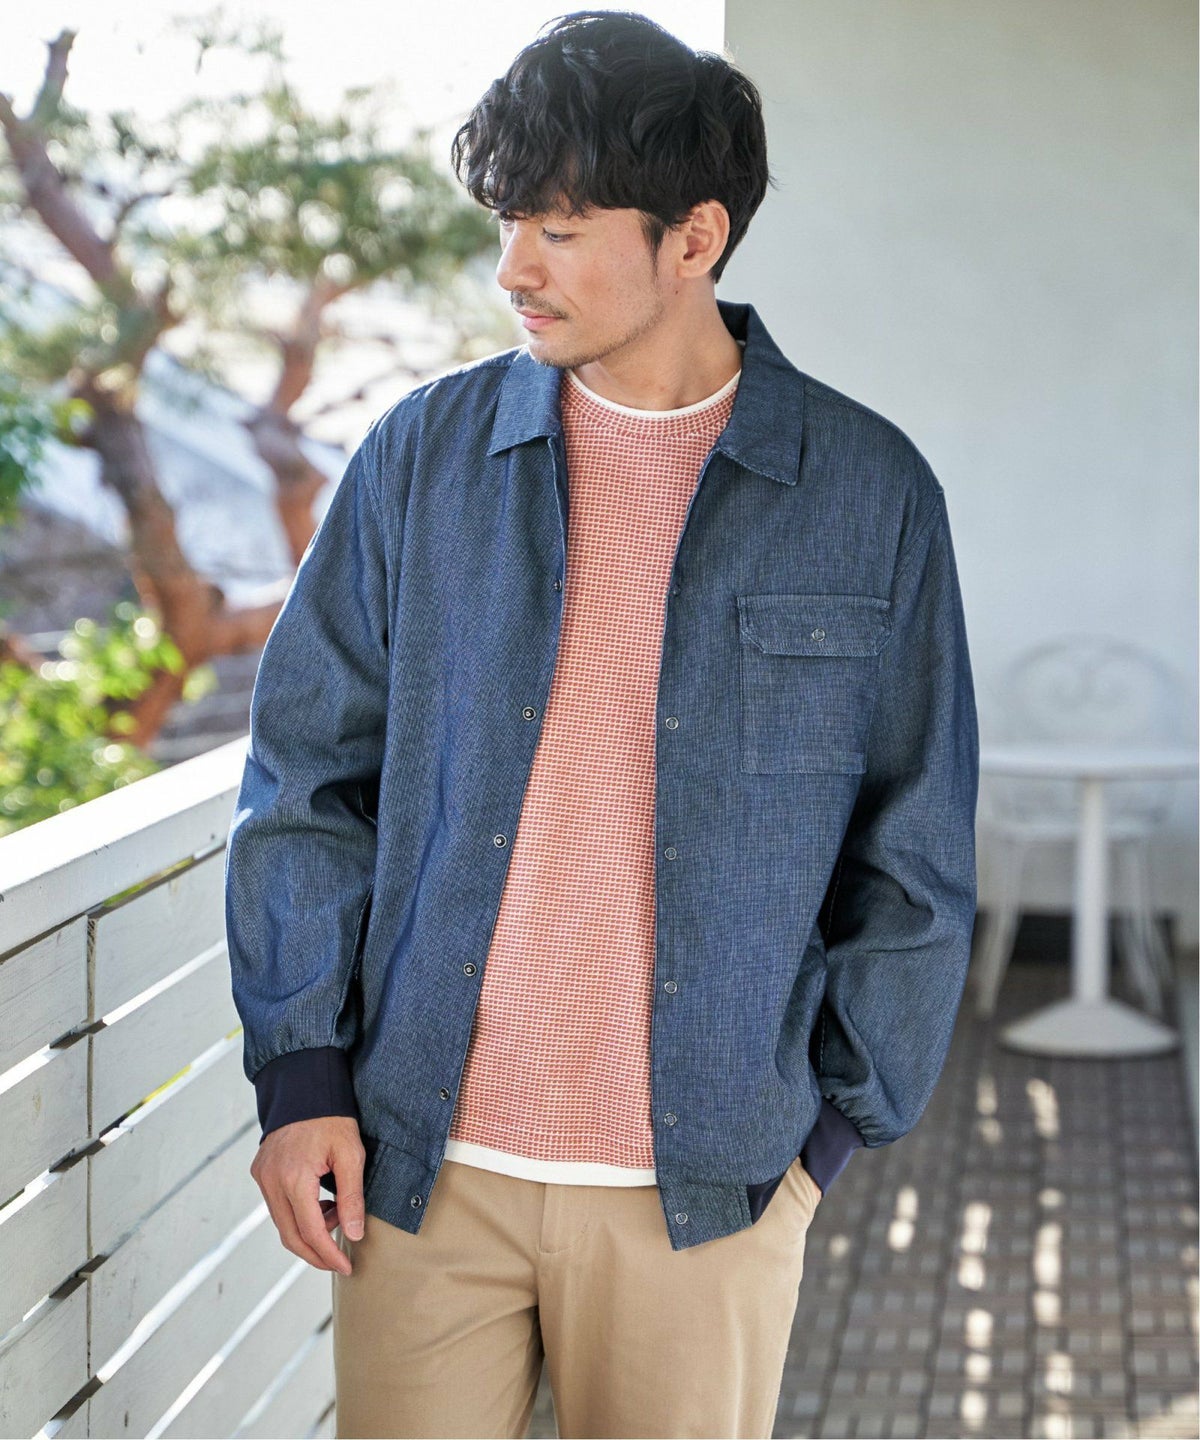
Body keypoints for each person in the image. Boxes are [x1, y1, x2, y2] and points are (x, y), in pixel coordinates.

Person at [224, 10, 980, 1438]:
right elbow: (307, 779)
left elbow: (915, 847)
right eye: (509, 223)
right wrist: (300, 1073)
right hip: (418, 1173)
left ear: (694, 239)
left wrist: (821, 1144)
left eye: (561, 229)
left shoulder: (867, 493)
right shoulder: (421, 459)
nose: (515, 268)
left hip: (708, 1194)